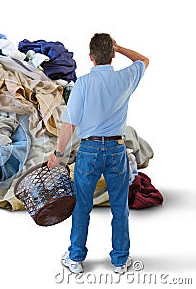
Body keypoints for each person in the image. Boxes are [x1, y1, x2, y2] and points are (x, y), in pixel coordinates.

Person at [47, 33, 149, 274]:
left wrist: (58, 154)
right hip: (116, 150)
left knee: (82, 206)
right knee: (119, 207)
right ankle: (120, 260)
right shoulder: (125, 78)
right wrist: (119, 47)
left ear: (90, 57)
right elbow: (144, 60)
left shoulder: (82, 84)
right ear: (112, 54)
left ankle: (75, 258)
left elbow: (69, 124)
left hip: (89, 151)